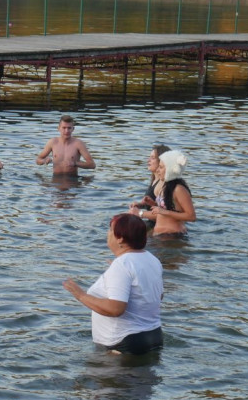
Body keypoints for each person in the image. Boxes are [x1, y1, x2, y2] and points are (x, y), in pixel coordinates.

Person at [62, 213, 163, 355]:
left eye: (110, 230)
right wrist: (117, 273)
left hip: (123, 342)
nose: (108, 234)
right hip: (153, 336)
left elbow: (116, 309)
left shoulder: (122, 265)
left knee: (107, 377)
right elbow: (158, 296)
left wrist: (80, 295)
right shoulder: (152, 259)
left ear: (120, 238)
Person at [131, 150, 195, 236]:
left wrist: (141, 213)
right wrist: (152, 204)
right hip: (160, 236)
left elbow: (191, 216)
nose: (158, 171)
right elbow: (168, 209)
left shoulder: (179, 189)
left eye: (161, 167)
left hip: (172, 237)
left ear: (170, 170)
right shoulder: (165, 186)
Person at [130, 143, 171, 218]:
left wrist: (140, 213)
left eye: (152, 158)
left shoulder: (164, 184)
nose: (148, 160)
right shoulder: (154, 180)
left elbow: (165, 215)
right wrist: (141, 205)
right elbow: (157, 206)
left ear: (161, 161)